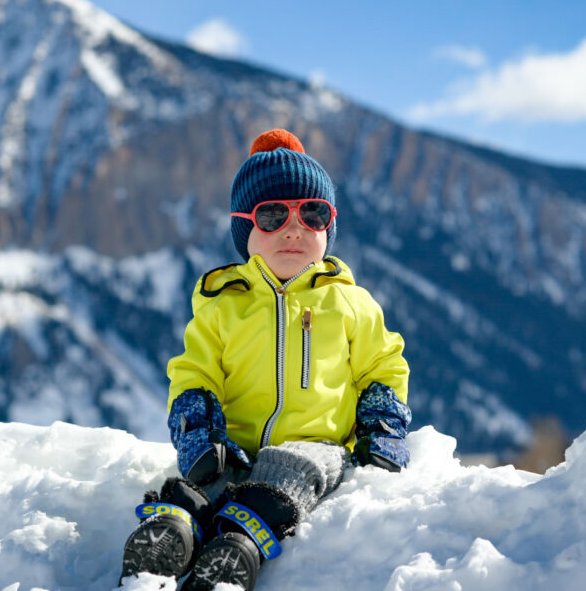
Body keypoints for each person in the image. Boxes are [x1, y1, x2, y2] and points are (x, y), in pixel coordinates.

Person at [119, 129, 411, 590]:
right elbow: (194, 372)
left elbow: (384, 367)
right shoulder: (222, 305)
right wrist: (199, 427)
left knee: (295, 468)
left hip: (317, 443)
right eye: (272, 214)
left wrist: (382, 425)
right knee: (213, 475)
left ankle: (239, 544)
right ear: (245, 231)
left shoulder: (351, 303)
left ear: (328, 228)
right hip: (232, 444)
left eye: (312, 214)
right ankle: (174, 529)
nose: (294, 227)